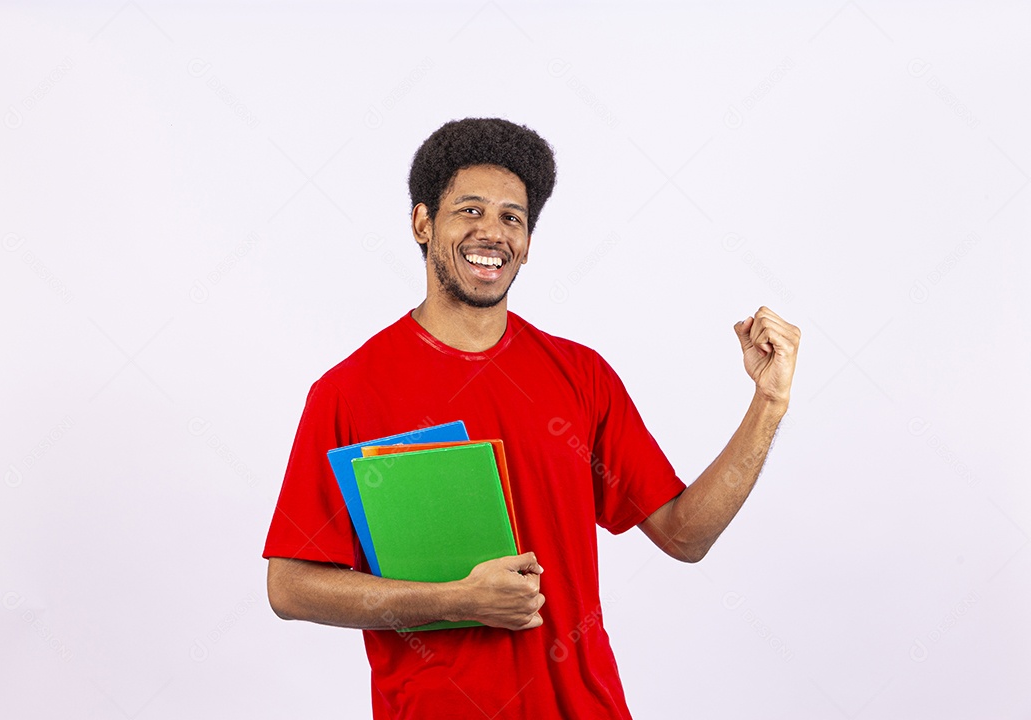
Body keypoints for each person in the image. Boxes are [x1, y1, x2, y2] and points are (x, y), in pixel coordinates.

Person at [263, 117, 801, 719]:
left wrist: (768, 404)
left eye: (511, 217)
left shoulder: (581, 375)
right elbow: (289, 586)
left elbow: (685, 533)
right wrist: (455, 599)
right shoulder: (349, 391)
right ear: (422, 223)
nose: (492, 232)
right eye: (469, 210)